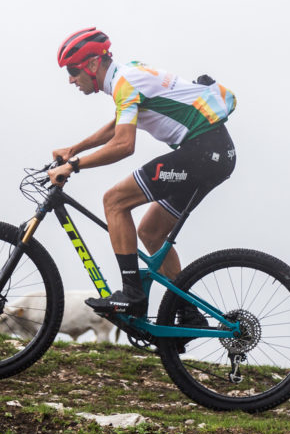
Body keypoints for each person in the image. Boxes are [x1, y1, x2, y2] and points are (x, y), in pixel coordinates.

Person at [47, 28, 237, 323]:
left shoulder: (124, 82)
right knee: (150, 232)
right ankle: (188, 314)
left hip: (204, 151)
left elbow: (124, 145)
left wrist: (73, 165)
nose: (70, 79)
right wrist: (74, 149)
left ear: (94, 64)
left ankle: (132, 295)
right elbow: (118, 125)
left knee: (114, 201)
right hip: (212, 152)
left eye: (73, 70)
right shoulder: (127, 76)